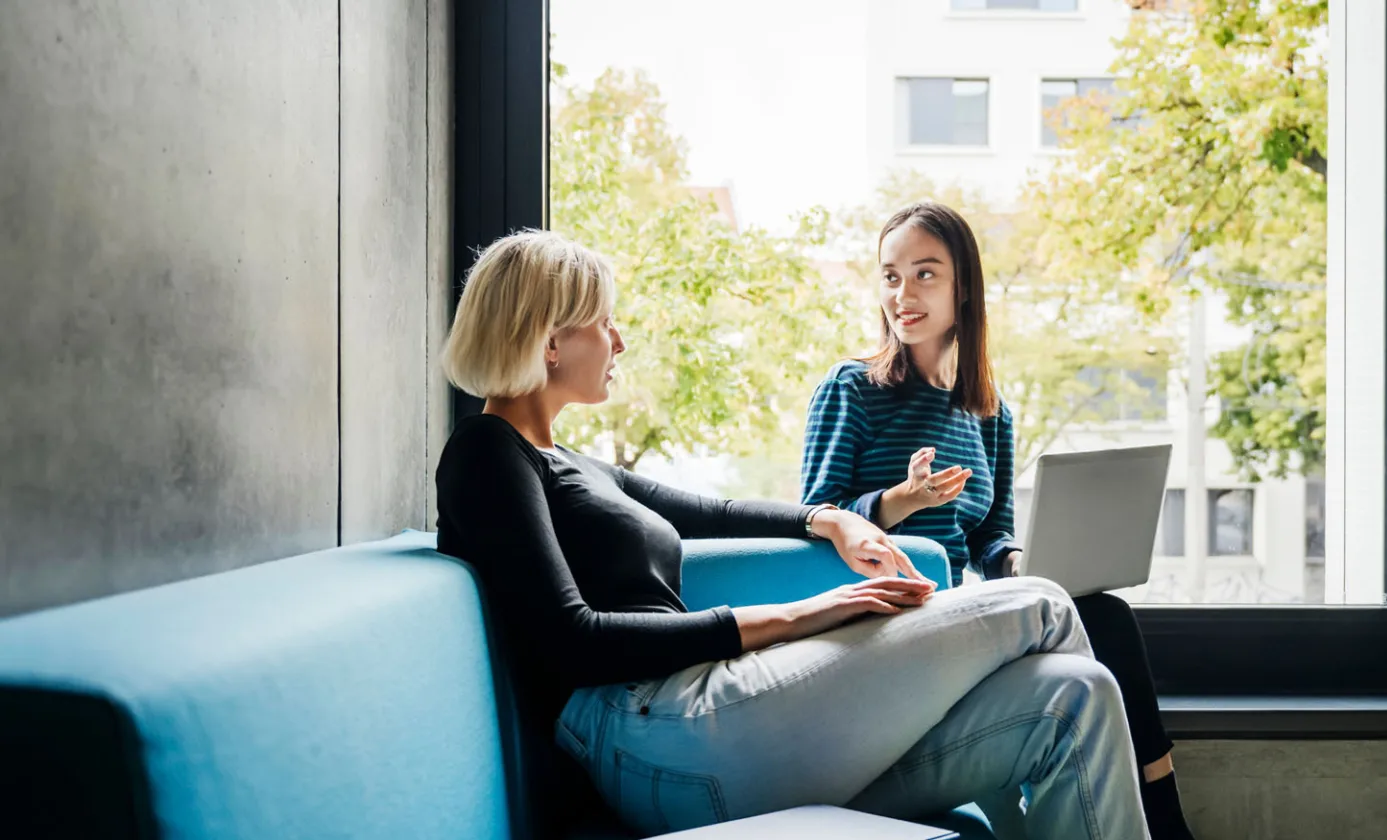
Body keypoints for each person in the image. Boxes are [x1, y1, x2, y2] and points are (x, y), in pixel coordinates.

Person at [433, 230, 1148, 838]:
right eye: (603, 324)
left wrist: (831, 517)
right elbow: (572, 639)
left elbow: (712, 513)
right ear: (551, 341)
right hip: (659, 731)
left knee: (1071, 697)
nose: (619, 339)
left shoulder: (574, 464)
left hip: (706, 725)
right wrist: (806, 616)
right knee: (1042, 602)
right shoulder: (488, 452)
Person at [802, 202, 1198, 840]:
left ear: (965, 289)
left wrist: (1021, 566)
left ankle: (1158, 813)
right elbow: (810, 514)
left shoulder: (989, 412)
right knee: (1100, 630)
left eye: (925, 274)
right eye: (890, 276)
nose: (903, 294)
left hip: (958, 614)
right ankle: (1170, 825)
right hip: (884, 621)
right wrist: (902, 501)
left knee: (1104, 615)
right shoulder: (851, 388)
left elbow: (991, 538)